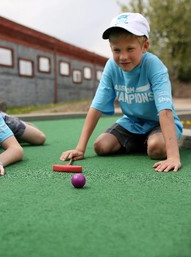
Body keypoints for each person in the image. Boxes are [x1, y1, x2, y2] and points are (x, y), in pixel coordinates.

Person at [60, 12, 183, 172]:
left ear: (145, 46)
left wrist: (173, 157)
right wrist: (80, 148)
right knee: (101, 146)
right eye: (116, 50)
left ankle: (151, 141)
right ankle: (143, 142)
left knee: (157, 148)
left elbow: (165, 112)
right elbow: (96, 108)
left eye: (130, 49)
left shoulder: (155, 66)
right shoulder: (111, 66)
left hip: (158, 123)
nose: (123, 56)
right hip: (132, 122)